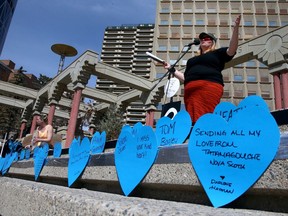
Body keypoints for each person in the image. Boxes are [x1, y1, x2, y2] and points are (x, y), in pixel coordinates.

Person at [164, 15, 241, 123]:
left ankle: (207, 136)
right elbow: (186, 78)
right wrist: (172, 70)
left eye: (207, 38)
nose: (204, 40)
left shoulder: (217, 53)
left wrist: (236, 29)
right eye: (202, 39)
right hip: (190, 92)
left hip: (208, 87)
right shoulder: (192, 60)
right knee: (192, 119)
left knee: (206, 118)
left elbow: (232, 49)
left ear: (212, 42)